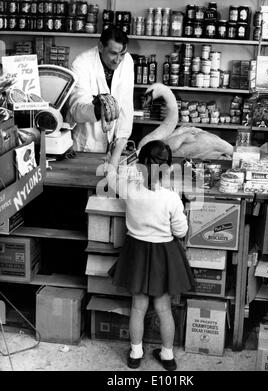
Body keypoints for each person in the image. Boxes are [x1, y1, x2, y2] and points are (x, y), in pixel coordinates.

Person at [106, 140, 195, 371]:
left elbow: (110, 175)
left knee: (138, 307)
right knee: (164, 308)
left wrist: (117, 150)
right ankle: (167, 356)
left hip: (136, 252)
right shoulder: (171, 197)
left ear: (139, 165)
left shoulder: (129, 188)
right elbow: (181, 231)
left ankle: (136, 354)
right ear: (167, 167)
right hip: (163, 255)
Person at [68, 25, 134, 154]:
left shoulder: (127, 61)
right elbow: (76, 111)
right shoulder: (81, 63)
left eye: (122, 54)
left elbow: (126, 105)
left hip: (113, 143)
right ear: (100, 46)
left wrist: (121, 140)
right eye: (113, 53)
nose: (118, 60)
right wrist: (100, 108)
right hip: (87, 143)